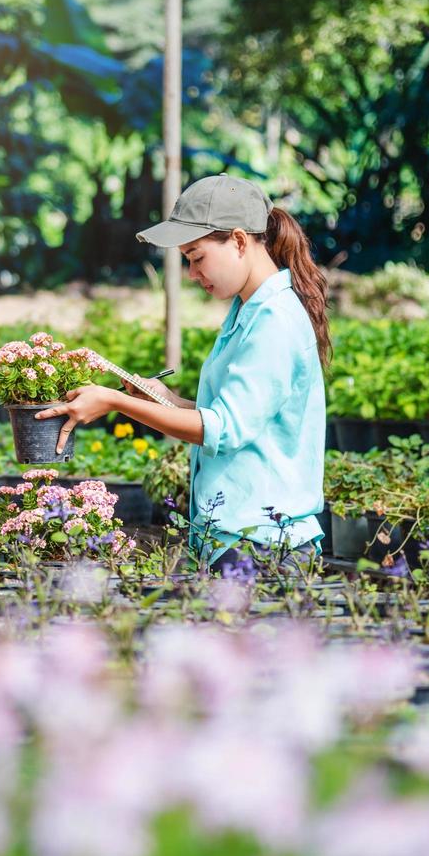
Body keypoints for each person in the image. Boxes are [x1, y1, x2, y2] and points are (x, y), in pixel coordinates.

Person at [36, 174, 330, 570]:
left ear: (240, 241)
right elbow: (241, 417)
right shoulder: (248, 310)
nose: (193, 274)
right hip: (240, 541)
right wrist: (165, 400)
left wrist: (116, 402)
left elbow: (221, 429)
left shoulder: (274, 320)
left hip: (263, 549)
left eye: (196, 257)